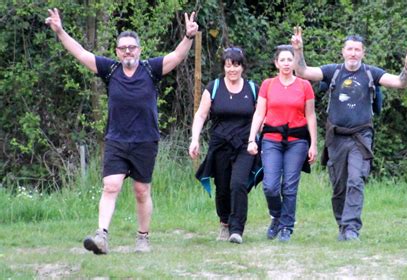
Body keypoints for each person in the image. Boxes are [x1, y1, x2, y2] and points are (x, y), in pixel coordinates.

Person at [45, 8, 199, 254]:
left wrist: (189, 37)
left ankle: (143, 238)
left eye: (132, 47)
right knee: (111, 186)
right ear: (117, 51)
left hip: (146, 140)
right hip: (117, 139)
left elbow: (177, 56)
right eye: (123, 48)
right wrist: (61, 31)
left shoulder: (151, 69)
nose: (128, 51)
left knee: (141, 191)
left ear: (139, 49)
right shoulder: (111, 70)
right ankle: (101, 237)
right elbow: (81, 53)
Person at [291, 27, 407, 241]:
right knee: (339, 185)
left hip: (361, 137)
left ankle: (351, 229)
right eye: (349, 49)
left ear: (363, 53)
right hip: (336, 137)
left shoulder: (371, 73)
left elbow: (400, 83)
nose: (353, 53)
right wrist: (298, 50)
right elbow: (302, 72)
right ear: (343, 51)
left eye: (357, 50)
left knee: (356, 180)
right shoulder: (333, 71)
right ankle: (343, 224)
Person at [247, 45, 318, 242]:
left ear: (295, 62)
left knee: (289, 186)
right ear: (276, 63)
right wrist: (252, 139)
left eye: (290, 59)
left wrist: (314, 144)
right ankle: (276, 216)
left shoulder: (305, 86)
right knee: (270, 186)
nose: (287, 63)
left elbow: (311, 116)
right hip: (271, 140)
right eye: (283, 60)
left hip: (297, 141)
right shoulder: (268, 85)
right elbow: (259, 113)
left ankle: (287, 226)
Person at [190, 47, 259, 244]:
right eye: (228, 66)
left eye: (236, 65)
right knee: (222, 187)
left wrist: (255, 138)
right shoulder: (214, 87)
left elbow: (260, 115)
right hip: (220, 145)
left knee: (238, 184)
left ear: (242, 67)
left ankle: (237, 229)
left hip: (245, 146)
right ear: (224, 67)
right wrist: (194, 139)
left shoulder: (252, 89)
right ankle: (224, 223)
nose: (232, 70)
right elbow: (201, 115)